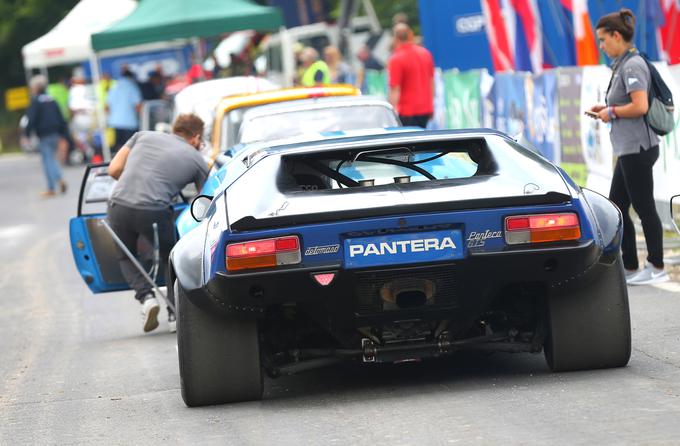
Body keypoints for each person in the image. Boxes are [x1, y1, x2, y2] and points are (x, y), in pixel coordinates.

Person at [107, 114, 209, 332]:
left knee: (125, 255)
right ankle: (174, 314)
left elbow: (113, 169)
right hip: (154, 210)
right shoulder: (197, 159)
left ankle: (146, 298)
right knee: (170, 258)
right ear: (196, 138)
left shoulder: (141, 136)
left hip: (119, 204)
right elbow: (205, 200)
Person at [588, 8, 668, 285]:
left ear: (617, 35)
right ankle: (632, 266)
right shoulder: (623, 63)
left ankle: (656, 267)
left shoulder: (633, 65)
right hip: (628, 148)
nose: (601, 46)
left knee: (644, 208)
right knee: (618, 208)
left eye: (603, 40)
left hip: (638, 148)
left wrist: (611, 113)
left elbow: (640, 106)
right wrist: (608, 108)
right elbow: (627, 103)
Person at [23, 75, 68, 197]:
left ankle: (56, 182)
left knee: (48, 160)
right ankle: (53, 185)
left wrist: (26, 134)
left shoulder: (36, 101)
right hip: (56, 133)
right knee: (52, 158)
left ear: (36, 87)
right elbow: (61, 117)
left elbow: (31, 118)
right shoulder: (52, 99)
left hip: (44, 134)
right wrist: (64, 134)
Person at [387, 23, 434, 128]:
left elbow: (395, 89)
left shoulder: (396, 59)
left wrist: (390, 112)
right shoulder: (425, 53)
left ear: (395, 38)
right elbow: (431, 82)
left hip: (407, 111)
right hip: (425, 108)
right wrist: (431, 106)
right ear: (410, 34)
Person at [107, 67, 142, 155]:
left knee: (119, 148)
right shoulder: (132, 87)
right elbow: (138, 106)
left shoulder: (113, 87)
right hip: (129, 123)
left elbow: (107, 107)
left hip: (114, 122)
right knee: (131, 148)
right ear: (131, 77)